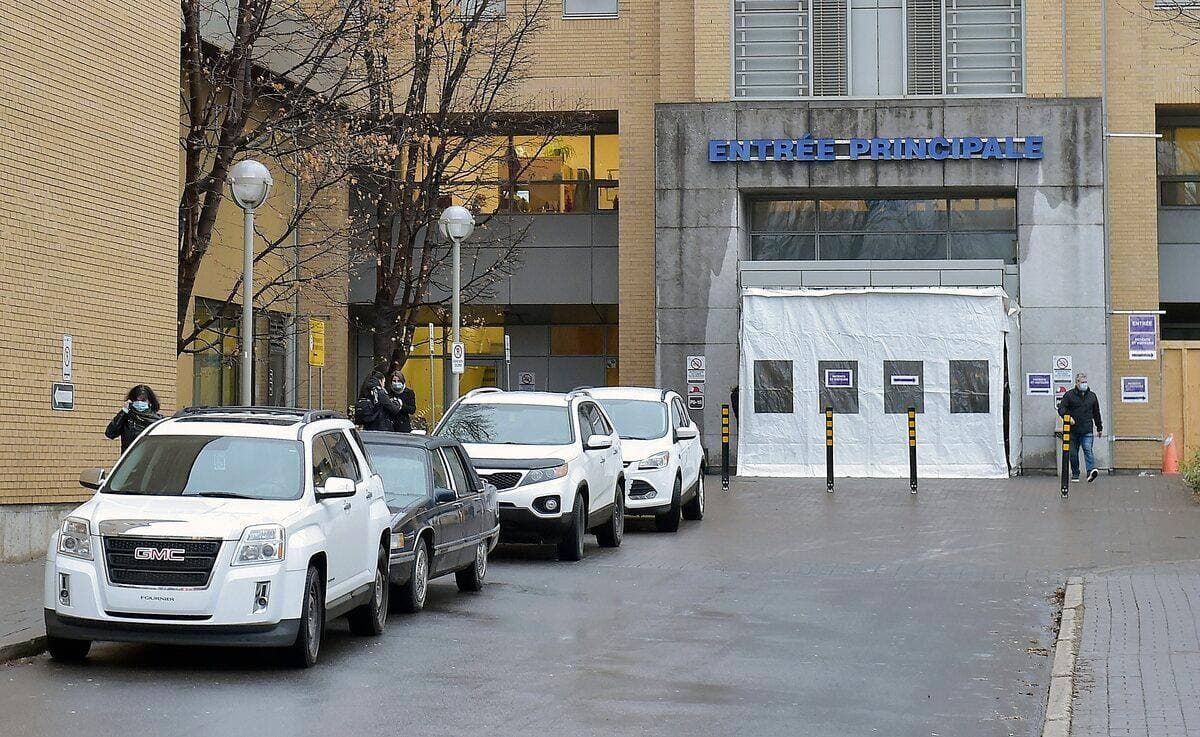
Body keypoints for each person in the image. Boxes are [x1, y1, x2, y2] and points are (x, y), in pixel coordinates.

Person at [1058, 371, 1103, 483]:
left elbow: (1096, 412)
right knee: (1073, 453)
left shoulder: (1092, 396)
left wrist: (1099, 427)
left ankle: (1090, 471)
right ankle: (1075, 473)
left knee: (1088, 449)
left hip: (1087, 429)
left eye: (1086, 382)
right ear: (1077, 382)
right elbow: (1061, 409)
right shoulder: (1069, 395)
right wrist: (1068, 417)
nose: (1084, 384)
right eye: (1082, 382)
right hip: (1072, 431)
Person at [105, 385, 163, 452]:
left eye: (143, 400)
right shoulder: (127, 419)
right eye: (136, 400)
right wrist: (123, 412)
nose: (139, 403)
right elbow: (110, 433)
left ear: (150, 402)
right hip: (131, 459)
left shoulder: (158, 421)